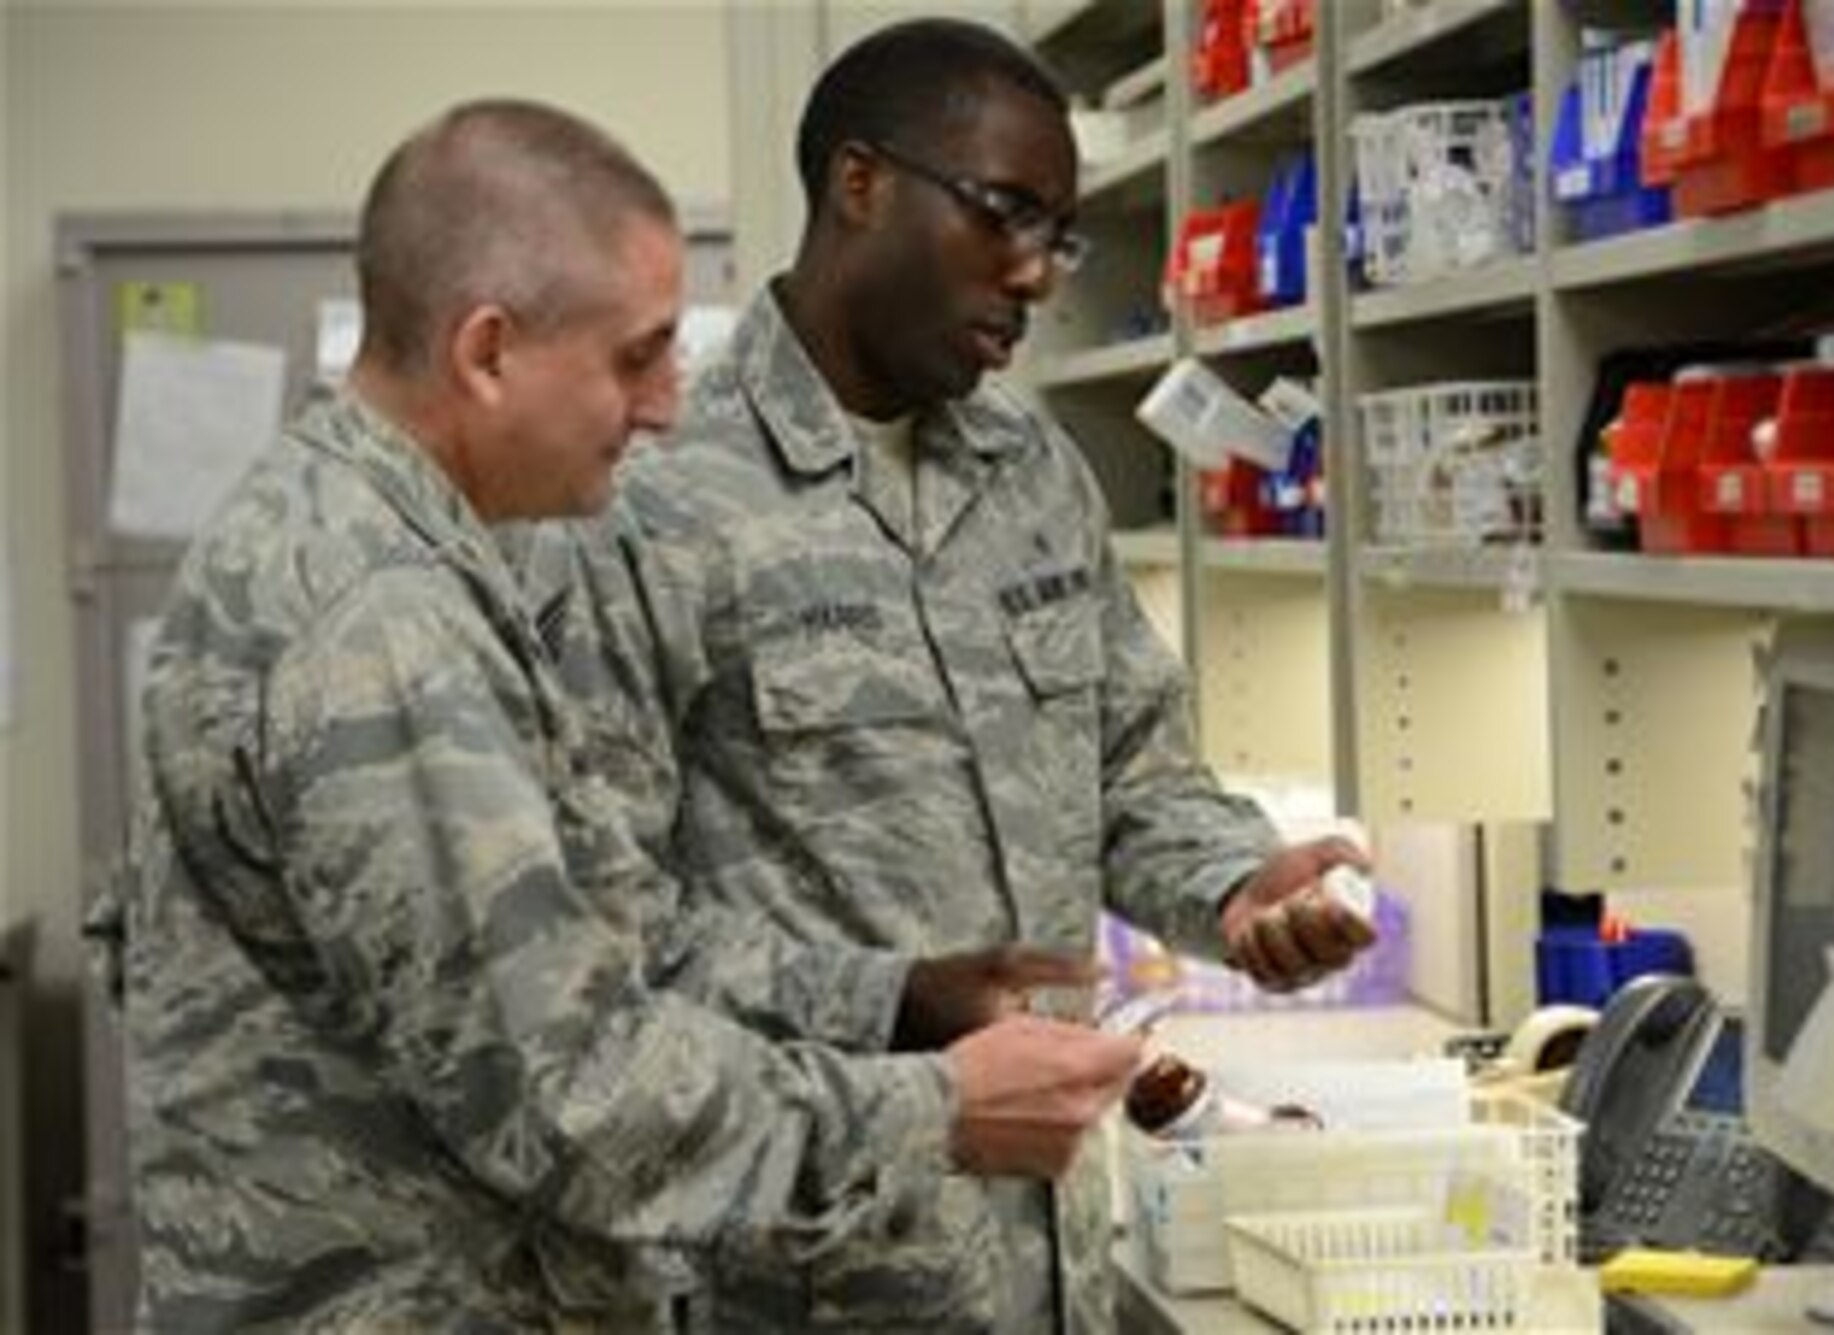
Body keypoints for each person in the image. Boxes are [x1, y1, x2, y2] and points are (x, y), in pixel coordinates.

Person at [111, 98, 1141, 1334]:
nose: (664, 406)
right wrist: (936, 1112)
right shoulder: (379, 623)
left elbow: (614, 937)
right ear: (486, 354)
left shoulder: (420, 556)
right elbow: (570, 1095)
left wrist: (888, 1001)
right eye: (635, 356)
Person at [527, 21, 1378, 1334]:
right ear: (860, 184)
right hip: (800, 1275)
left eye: (1062, 235)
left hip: (1051, 1266)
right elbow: (600, 938)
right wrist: (890, 997)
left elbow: (1133, 776)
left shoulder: (1031, 475)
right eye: (1004, 214)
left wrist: (1239, 884)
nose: (1037, 275)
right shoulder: (649, 498)